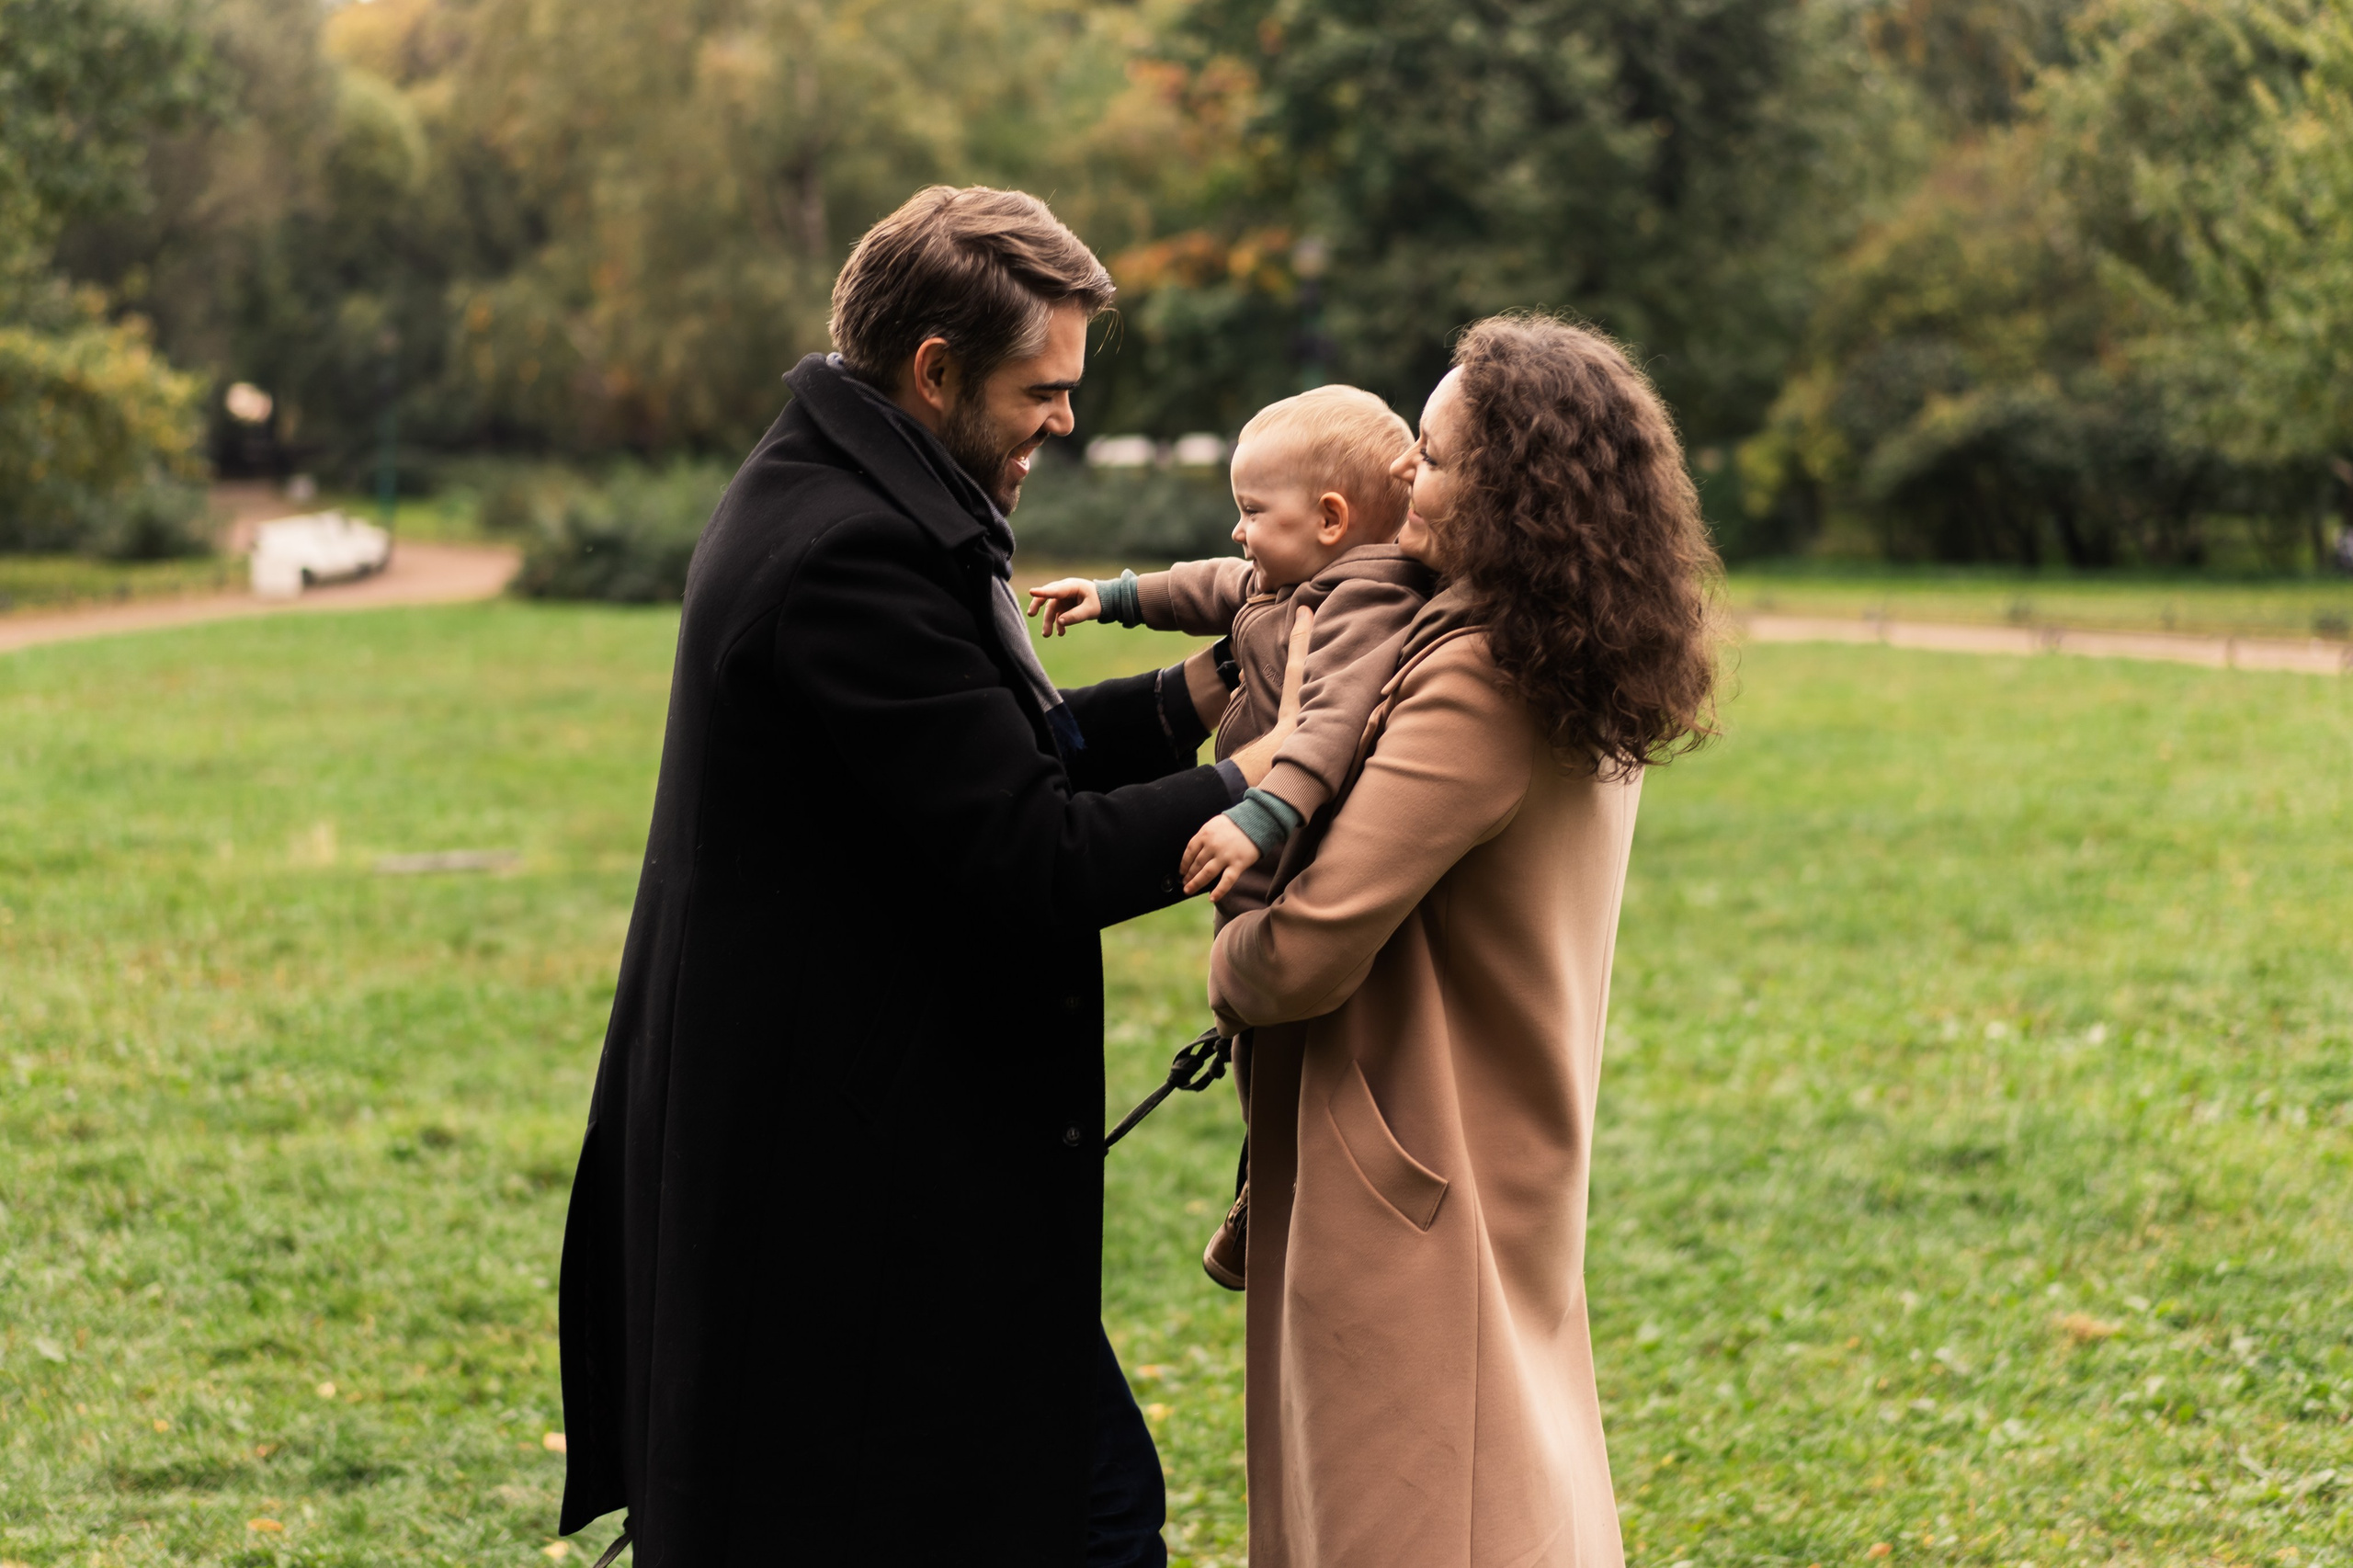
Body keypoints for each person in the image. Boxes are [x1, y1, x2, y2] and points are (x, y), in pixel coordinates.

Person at [555, 186, 1287, 1567]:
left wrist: (1209, 687)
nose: (1063, 421)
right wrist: (1282, 774)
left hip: (875, 1156)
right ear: (935, 369)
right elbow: (1030, 850)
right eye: (1041, 389)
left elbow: (1006, 753)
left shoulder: (863, 495)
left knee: (1070, 1499)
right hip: (847, 1188)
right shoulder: (850, 554)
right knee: (1082, 1510)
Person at [1206, 314, 1721, 1568]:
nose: (1402, 482)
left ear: (1510, 490)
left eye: (1429, 459)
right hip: (1491, 1153)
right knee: (1508, 1486)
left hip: (1409, 1177)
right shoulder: (1575, 652)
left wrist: (1231, 933)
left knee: (1422, 1513)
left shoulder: (1478, 677)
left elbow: (1308, 950)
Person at [1025, 385, 1431, 1290]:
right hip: (1260, 826)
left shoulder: (1359, 607)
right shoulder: (1284, 579)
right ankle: (1266, 1157)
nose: (1240, 531)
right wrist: (1115, 595)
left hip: (1287, 837)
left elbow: (1323, 727)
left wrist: (1256, 814)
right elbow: (1206, 583)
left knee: (1259, 998)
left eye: (1254, 511)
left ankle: (1265, 1174)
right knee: (1248, 1011)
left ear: (1329, 518)